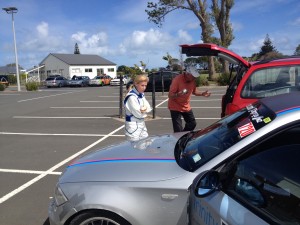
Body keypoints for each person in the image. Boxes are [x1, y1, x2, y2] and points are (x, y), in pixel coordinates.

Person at [168, 65, 211, 132]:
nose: (194, 78)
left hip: (185, 105)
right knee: (178, 130)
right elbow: (170, 95)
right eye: (193, 76)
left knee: (192, 124)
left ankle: (183, 137)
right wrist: (178, 94)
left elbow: (194, 91)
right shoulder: (177, 80)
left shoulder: (192, 81)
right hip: (175, 106)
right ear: (187, 74)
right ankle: (180, 138)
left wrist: (202, 94)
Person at [124, 75, 152, 141]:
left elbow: (148, 107)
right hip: (133, 125)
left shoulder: (141, 94)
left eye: (145, 85)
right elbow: (138, 113)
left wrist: (143, 110)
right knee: (134, 147)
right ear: (136, 84)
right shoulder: (131, 96)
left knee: (146, 143)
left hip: (141, 122)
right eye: (142, 85)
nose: (144, 88)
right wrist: (144, 111)